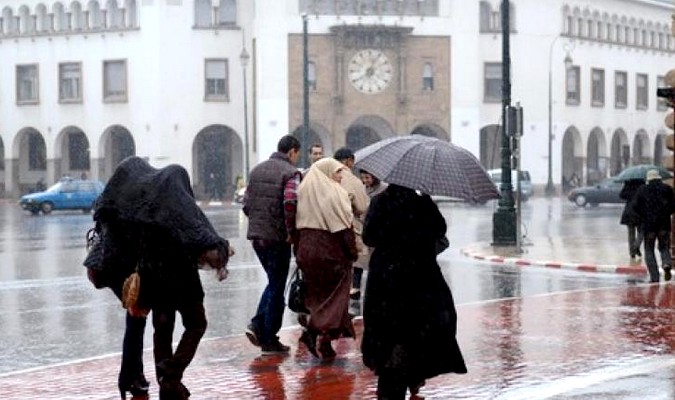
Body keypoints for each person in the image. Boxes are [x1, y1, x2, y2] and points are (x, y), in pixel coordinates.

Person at [93, 156, 232, 400]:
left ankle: (166, 386)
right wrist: (219, 247)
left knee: (162, 329)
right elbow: (199, 233)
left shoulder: (143, 209)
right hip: (182, 278)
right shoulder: (180, 205)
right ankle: (171, 372)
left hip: (153, 277)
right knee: (197, 323)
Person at [361, 184, 467, 399]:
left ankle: (395, 377)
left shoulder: (380, 201)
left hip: (386, 280)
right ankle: (411, 374)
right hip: (419, 278)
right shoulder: (422, 204)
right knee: (415, 332)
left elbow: (369, 237)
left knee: (388, 333)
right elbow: (440, 231)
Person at [243, 135, 302, 353]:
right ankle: (268, 336)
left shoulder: (257, 170)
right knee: (277, 286)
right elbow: (290, 202)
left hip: (258, 237)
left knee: (273, 281)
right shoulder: (290, 173)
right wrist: (290, 231)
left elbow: (246, 204)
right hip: (278, 238)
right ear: (292, 151)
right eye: (297, 154)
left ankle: (258, 324)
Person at [295, 158, 358, 359]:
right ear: (328, 173)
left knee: (317, 298)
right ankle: (316, 333)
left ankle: (324, 340)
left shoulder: (305, 191)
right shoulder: (333, 193)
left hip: (306, 250)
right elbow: (342, 228)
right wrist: (352, 251)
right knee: (337, 300)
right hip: (330, 251)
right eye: (338, 172)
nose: (340, 177)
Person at [333, 148, 369, 301]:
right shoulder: (353, 181)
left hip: (327, 229)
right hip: (349, 228)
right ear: (350, 161)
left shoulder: (325, 177)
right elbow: (362, 207)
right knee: (350, 263)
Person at [631, 169, 675, 283]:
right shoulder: (667, 189)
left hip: (649, 225)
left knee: (649, 250)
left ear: (648, 179)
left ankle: (655, 277)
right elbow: (673, 205)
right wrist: (666, 213)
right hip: (664, 224)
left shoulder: (642, 190)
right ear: (659, 178)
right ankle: (666, 263)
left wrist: (644, 214)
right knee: (664, 247)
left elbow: (635, 206)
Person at [351, 169, 388, 301]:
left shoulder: (384, 189)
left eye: (367, 177)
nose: (365, 181)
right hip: (362, 227)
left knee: (375, 262)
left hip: (377, 230)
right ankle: (355, 287)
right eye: (363, 178)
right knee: (359, 260)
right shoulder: (361, 189)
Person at [619, 178, 645, 260]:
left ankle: (632, 252)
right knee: (642, 231)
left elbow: (622, 195)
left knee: (631, 233)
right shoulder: (642, 183)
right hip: (640, 210)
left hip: (629, 210)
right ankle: (636, 246)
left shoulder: (628, 184)